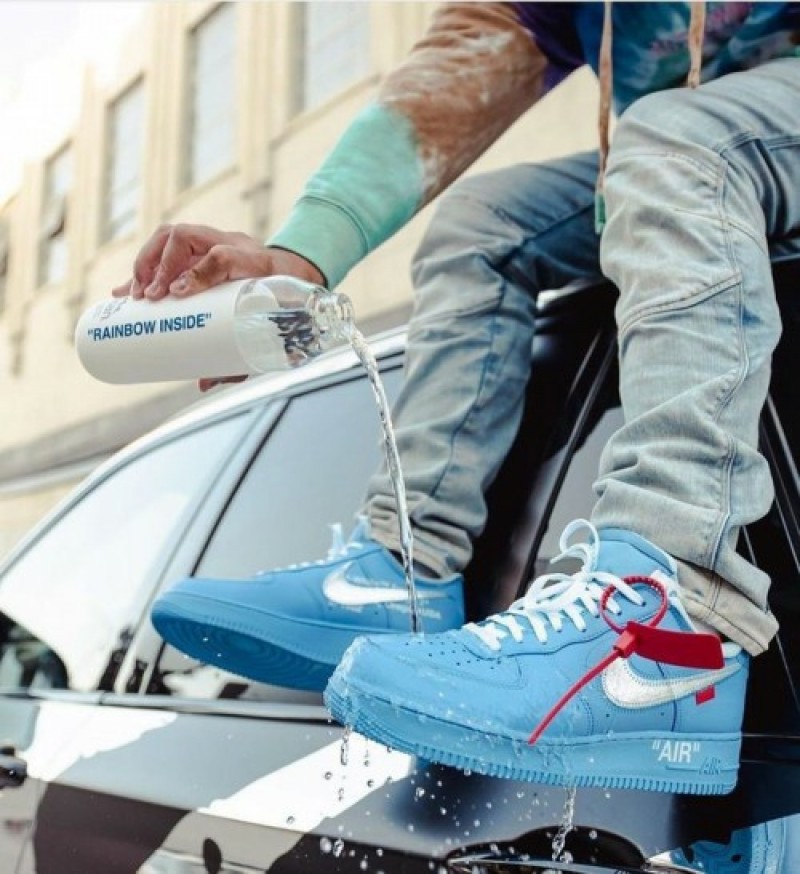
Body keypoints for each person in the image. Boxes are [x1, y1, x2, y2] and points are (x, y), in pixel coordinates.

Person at [118, 2, 800, 818]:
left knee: (673, 140)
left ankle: (667, 620)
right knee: (481, 224)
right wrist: (296, 259)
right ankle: (407, 574)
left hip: (705, 147)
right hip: (694, 165)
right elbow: (463, 60)